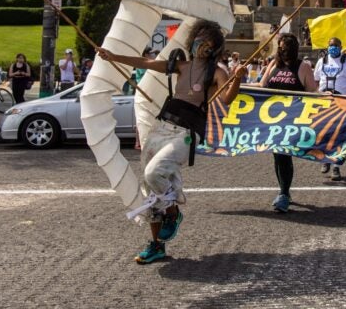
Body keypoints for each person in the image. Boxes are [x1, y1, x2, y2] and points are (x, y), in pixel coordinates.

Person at [97, 20, 246, 265]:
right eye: (199, 38)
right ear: (192, 40)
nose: (202, 44)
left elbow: (228, 98)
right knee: (149, 184)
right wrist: (113, 57)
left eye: (208, 42)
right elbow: (146, 63)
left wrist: (237, 78)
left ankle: (173, 213)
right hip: (162, 125)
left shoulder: (218, 71)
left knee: (156, 173)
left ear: (215, 47)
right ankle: (157, 245)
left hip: (187, 131)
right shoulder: (182, 65)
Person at [258, 33, 318, 212]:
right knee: (277, 154)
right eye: (281, 47)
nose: (284, 51)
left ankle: (284, 193)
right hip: (272, 119)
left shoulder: (303, 67)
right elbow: (261, 86)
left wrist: (327, 95)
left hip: (292, 120)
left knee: (284, 154)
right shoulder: (273, 64)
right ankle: (284, 191)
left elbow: (312, 91)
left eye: (287, 48)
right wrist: (235, 84)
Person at [313, 36, 346, 181]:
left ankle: (336, 166)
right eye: (331, 45)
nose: (333, 48)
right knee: (323, 133)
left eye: (336, 45)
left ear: (341, 47)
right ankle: (324, 160)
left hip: (341, 102)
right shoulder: (321, 61)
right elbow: (315, 81)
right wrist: (315, 93)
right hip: (324, 101)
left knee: (338, 134)